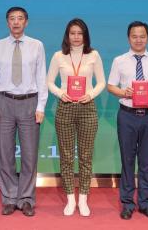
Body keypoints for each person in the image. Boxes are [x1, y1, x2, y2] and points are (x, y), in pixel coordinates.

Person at [0, 6, 48, 217]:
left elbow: (41, 77)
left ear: (26, 22)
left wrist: (41, 106)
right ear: (7, 22)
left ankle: (26, 199)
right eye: (12, 18)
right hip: (4, 102)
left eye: (20, 18)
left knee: (29, 154)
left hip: (29, 102)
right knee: (5, 154)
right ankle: (10, 198)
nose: (16, 22)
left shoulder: (37, 45)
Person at [107, 20, 148, 220]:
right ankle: (127, 203)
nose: (138, 40)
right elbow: (110, 86)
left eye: (142, 36)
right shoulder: (119, 61)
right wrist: (123, 92)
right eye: (134, 36)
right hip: (127, 115)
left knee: (145, 161)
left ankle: (145, 203)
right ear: (129, 38)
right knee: (127, 160)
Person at [46, 18, 105, 217]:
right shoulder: (58, 56)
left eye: (80, 33)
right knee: (67, 157)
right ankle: (71, 198)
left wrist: (91, 94)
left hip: (88, 108)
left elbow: (101, 82)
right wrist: (60, 93)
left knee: (86, 156)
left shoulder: (94, 55)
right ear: (67, 35)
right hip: (65, 108)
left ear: (85, 35)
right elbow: (49, 82)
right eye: (73, 33)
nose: (76, 37)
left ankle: (83, 199)